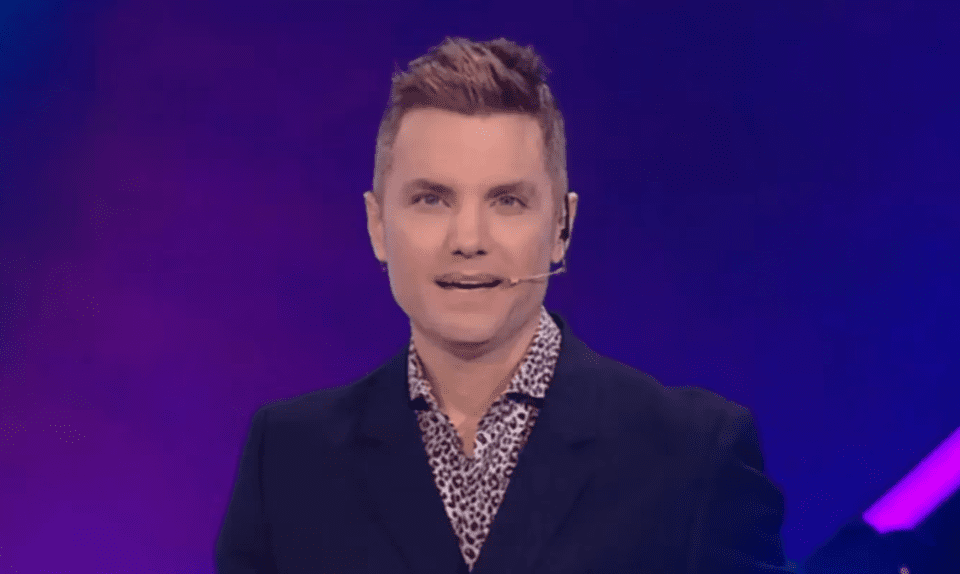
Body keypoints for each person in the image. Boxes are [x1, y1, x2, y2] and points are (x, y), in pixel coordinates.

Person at [215, 36, 794, 574]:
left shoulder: (693, 457)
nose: (468, 239)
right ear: (377, 225)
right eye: (431, 199)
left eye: (508, 201)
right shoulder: (288, 458)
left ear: (562, 226)